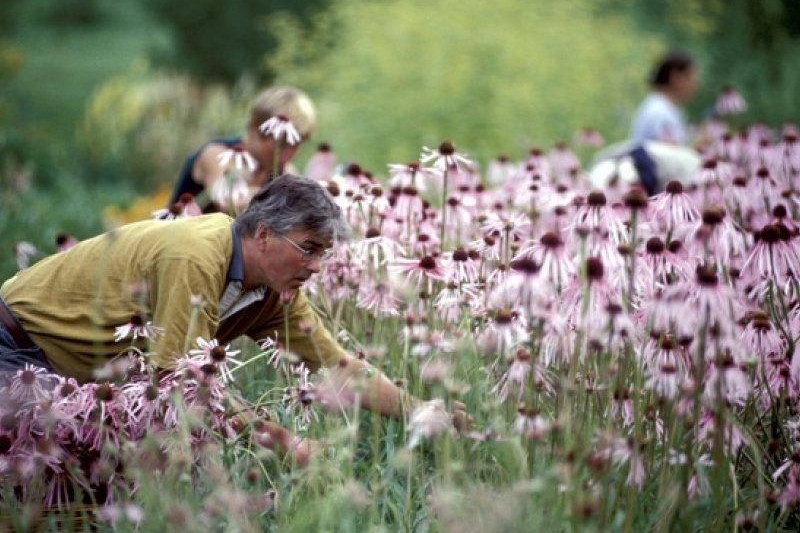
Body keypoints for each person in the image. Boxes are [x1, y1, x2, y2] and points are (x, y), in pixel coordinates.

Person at [1, 175, 469, 462]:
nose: (316, 267)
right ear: (263, 234)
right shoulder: (197, 256)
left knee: (95, 484)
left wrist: (421, 412)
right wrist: (288, 444)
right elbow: (179, 384)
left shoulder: (272, 291)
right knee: (51, 480)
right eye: (309, 249)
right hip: (14, 347)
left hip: (70, 377)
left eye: (323, 254)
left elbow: (337, 366)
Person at [168, 86, 316, 213]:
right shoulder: (217, 154)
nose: (286, 156)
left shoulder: (286, 173)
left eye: (296, 145)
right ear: (254, 127)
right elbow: (226, 202)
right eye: (281, 144)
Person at [587, 50, 702, 195]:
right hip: (648, 186)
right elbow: (671, 157)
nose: (696, 83)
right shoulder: (661, 112)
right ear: (676, 77)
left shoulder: (661, 106)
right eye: (692, 77)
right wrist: (698, 148)